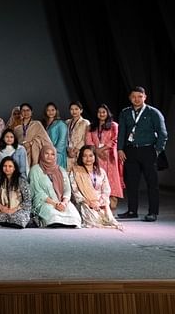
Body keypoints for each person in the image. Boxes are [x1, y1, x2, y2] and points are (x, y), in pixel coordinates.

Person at [118, 86, 168, 222]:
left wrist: (157, 150)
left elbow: (163, 134)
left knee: (152, 183)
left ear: (144, 97)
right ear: (130, 98)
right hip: (130, 151)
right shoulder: (125, 112)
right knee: (132, 182)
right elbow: (121, 132)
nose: (136, 99)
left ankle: (153, 212)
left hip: (148, 150)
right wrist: (120, 149)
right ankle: (132, 211)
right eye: (133, 96)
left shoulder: (153, 112)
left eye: (140, 96)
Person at [69, 146, 122, 229]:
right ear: (81, 157)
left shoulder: (101, 172)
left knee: (109, 220)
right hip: (85, 202)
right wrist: (89, 202)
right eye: (85, 156)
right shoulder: (76, 172)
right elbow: (75, 191)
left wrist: (100, 202)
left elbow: (106, 190)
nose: (88, 158)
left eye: (91, 156)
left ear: (94, 157)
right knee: (94, 221)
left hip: (101, 202)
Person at [29, 146, 81, 228]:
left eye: (52, 154)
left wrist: (64, 203)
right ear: (42, 154)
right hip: (44, 201)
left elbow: (67, 190)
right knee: (53, 216)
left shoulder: (61, 170)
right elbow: (37, 191)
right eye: (46, 153)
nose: (49, 156)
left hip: (62, 202)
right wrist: (55, 203)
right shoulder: (35, 170)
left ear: (55, 156)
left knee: (74, 217)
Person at [85, 104, 123, 209]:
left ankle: (112, 205)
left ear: (107, 113)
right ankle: (98, 203)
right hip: (96, 157)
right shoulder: (91, 127)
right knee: (97, 179)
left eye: (103, 112)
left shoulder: (113, 125)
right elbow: (88, 141)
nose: (101, 114)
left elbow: (115, 140)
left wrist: (102, 149)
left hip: (109, 157)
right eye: (99, 112)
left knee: (112, 180)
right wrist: (96, 151)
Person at [0, 157, 32, 228]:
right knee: (1, 218)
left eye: (10, 166)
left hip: (20, 209)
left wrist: (14, 210)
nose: (7, 168)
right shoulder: (0, 181)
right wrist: (2, 208)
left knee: (19, 219)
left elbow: (27, 201)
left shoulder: (21, 181)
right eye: (5, 166)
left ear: (14, 168)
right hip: (5, 209)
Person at [65, 102, 90, 171]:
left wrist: (76, 150)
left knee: (80, 172)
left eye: (76, 109)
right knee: (69, 173)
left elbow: (85, 138)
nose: (74, 111)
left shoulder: (85, 123)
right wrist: (68, 149)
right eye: (72, 109)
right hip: (69, 152)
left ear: (81, 110)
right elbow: (65, 138)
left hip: (80, 151)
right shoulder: (67, 122)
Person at [43, 102, 69, 169]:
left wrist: (54, 152)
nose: (50, 112)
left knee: (58, 173)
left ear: (56, 111)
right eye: (48, 110)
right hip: (48, 153)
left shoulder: (61, 123)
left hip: (57, 154)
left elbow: (62, 139)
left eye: (52, 110)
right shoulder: (47, 125)